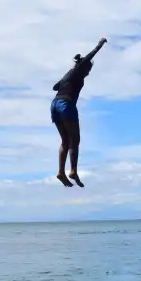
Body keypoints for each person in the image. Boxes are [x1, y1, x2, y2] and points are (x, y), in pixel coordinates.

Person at [50, 37, 108, 187]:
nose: (88, 73)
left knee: (65, 141)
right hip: (66, 104)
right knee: (75, 139)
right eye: (88, 69)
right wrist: (99, 46)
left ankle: (61, 172)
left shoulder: (71, 74)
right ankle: (73, 171)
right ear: (84, 67)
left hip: (55, 105)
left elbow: (55, 88)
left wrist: (66, 80)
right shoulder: (78, 71)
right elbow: (89, 57)